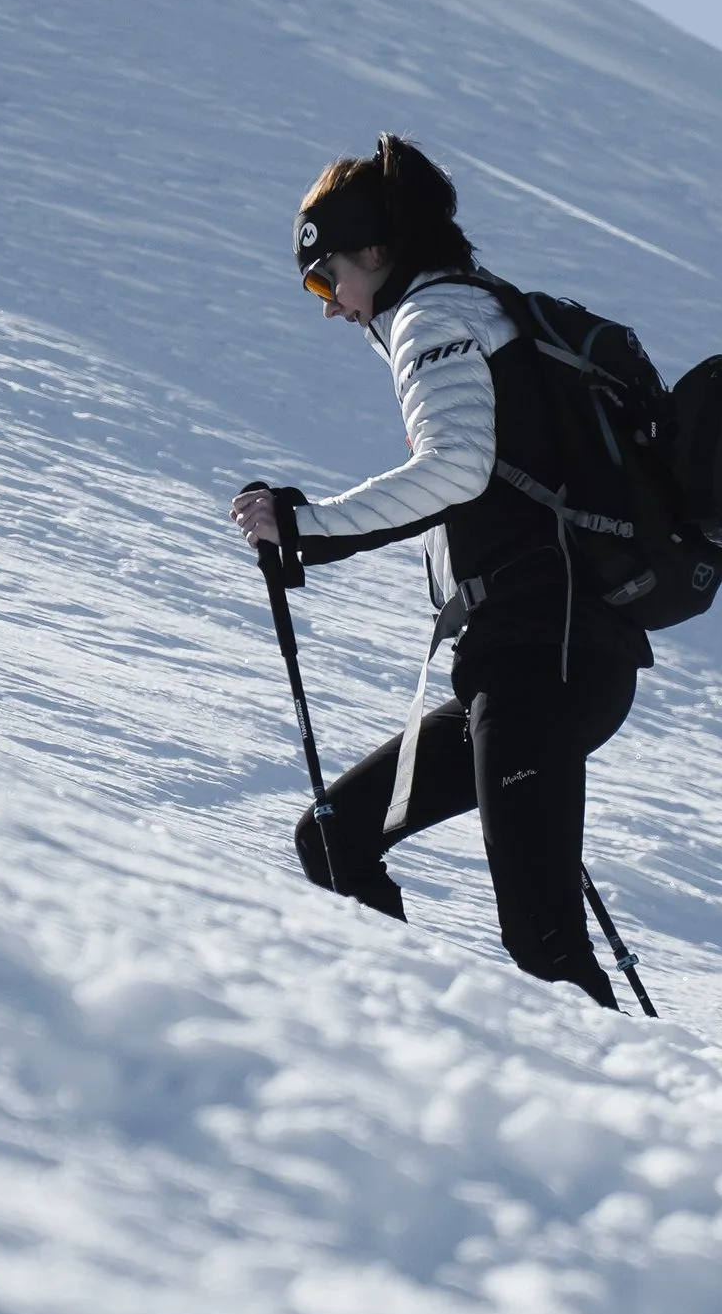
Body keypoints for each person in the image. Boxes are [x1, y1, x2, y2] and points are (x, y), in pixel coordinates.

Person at [231, 134, 648, 1007]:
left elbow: (455, 469)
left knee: (546, 948)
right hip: (537, 657)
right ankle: (413, 1042)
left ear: (377, 252)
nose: (330, 305)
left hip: (545, 655)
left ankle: (648, 1129)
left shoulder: (433, 316)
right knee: (335, 839)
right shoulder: (484, 312)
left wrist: (303, 528)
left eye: (325, 276)